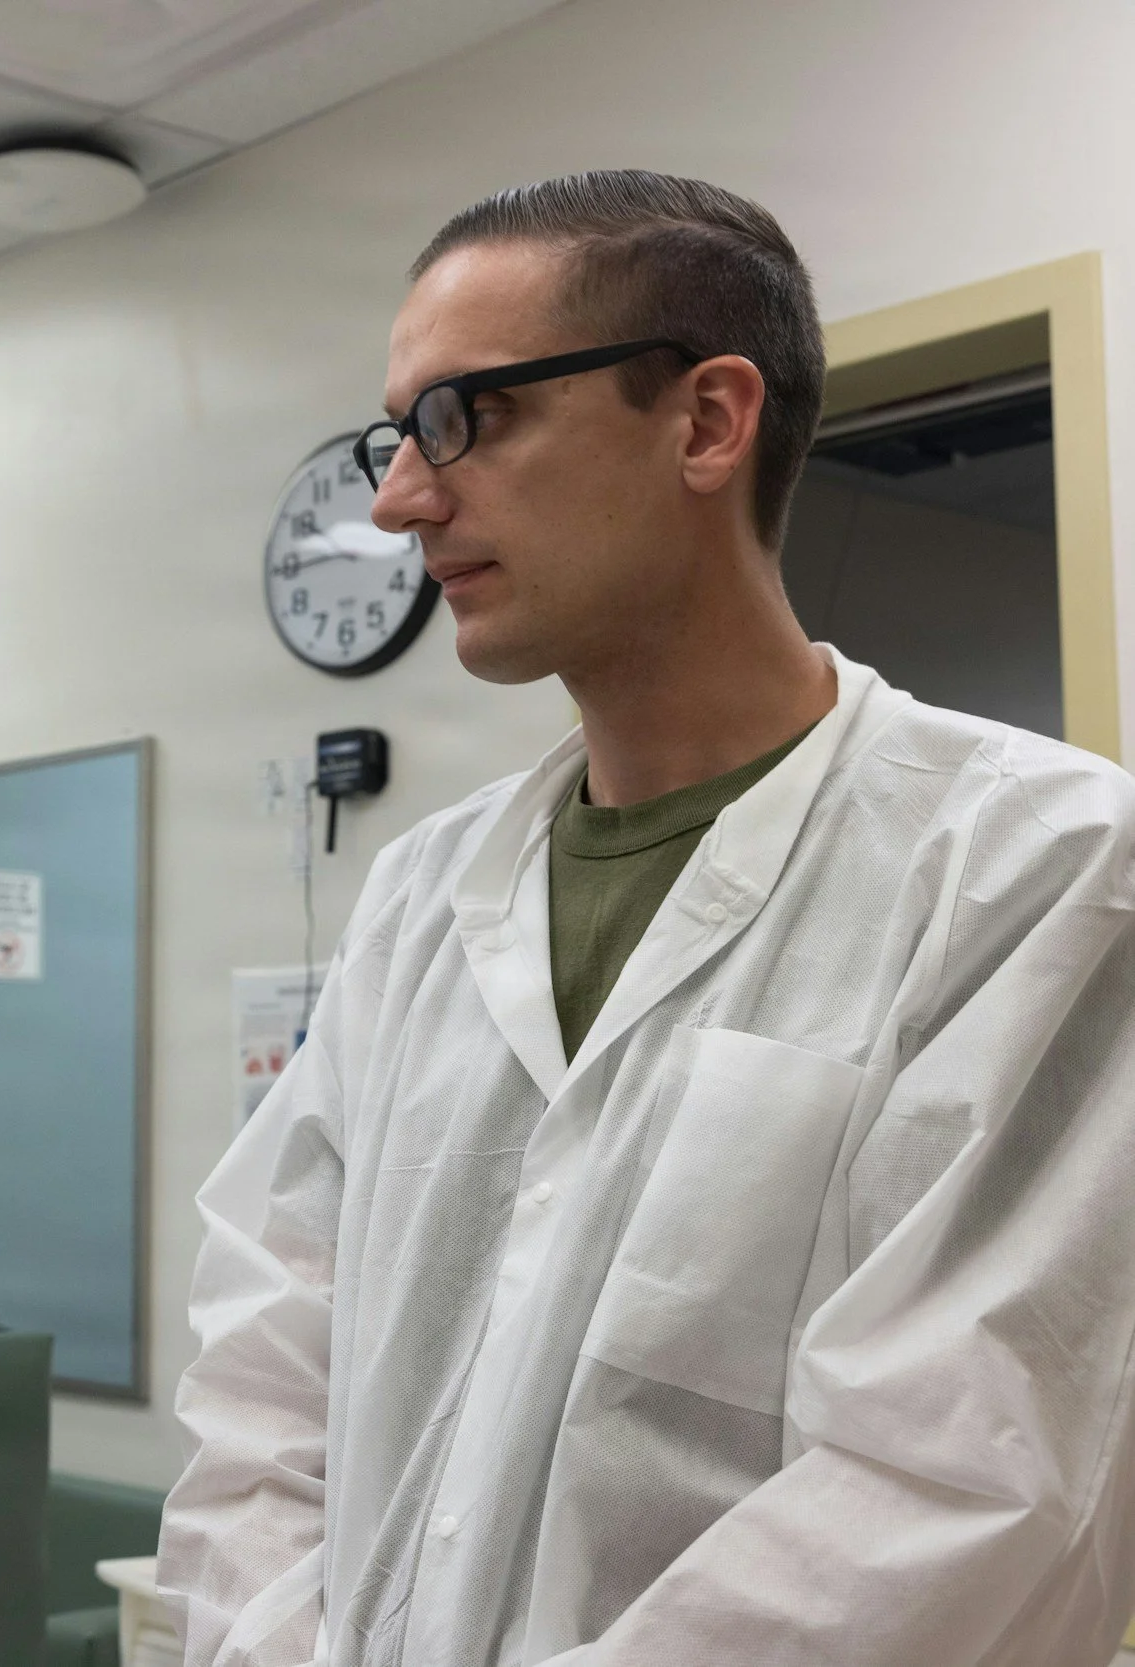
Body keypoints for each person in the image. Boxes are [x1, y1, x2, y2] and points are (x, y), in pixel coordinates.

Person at [160, 170, 1135, 1666]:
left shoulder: (1036, 870)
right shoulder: (423, 901)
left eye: (463, 418)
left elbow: (971, 1484)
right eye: (395, 433)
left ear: (705, 421)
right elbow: (265, 1377)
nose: (399, 498)